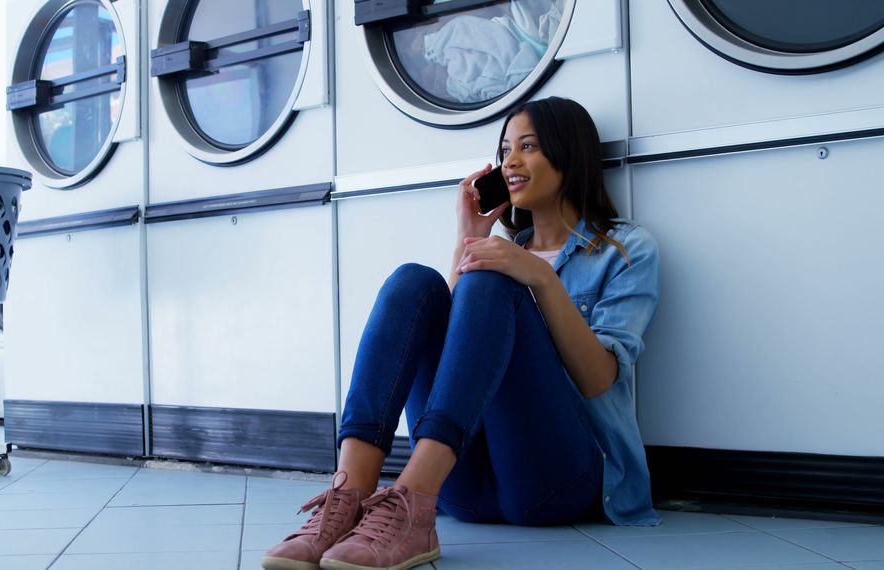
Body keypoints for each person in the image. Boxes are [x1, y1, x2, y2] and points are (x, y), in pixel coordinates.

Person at [262, 96, 661, 570]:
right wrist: (467, 236)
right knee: (413, 281)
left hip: (559, 481)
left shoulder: (625, 248)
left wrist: (540, 276)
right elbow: (459, 353)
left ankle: (412, 497)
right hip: (464, 492)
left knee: (493, 274)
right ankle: (348, 497)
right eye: (505, 148)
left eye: (527, 146)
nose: (509, 162)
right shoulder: (505, 249)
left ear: (568, 154)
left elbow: (598, 380)